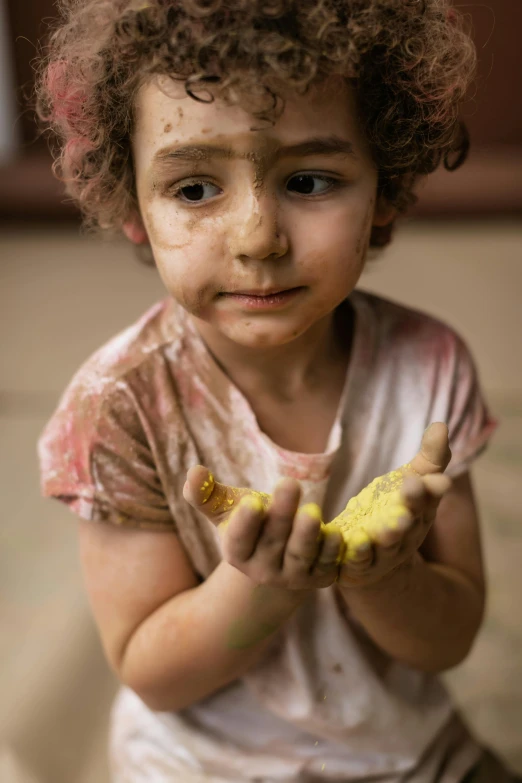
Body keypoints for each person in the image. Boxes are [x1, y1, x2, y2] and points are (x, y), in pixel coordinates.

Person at [34, 1, 520, 781]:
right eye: (194, 189)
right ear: (133, 204)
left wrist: (386, 575)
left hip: (410, 753)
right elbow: (153, 673)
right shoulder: (117, 405)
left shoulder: (427, 368)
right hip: (199, 766)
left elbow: (449, 639)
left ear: (384, 188)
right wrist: (260, 587)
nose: (259, 237)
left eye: (309, 179)